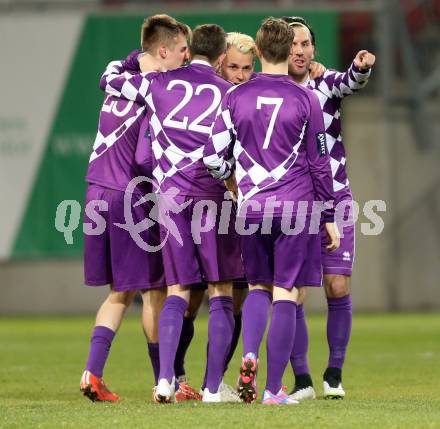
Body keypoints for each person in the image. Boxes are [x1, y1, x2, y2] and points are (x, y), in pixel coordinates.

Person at [99, 24, 243, 403]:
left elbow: (109, 79)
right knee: (220, 290)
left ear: (189, 49)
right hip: (212, 198)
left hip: (171, 200)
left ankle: (165, 381)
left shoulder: (157, 84)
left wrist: (133, 59)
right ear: (222, 58)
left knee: (175, 289)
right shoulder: (230, 93)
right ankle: (213, 388)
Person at [204, 17, 339, 405]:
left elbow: (212, 157)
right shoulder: (307, 99)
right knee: (287, 290)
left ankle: (248, 355)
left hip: (250, 208)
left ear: (259, 52)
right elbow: (319, 162)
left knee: (258, 287)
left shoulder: (235, 97)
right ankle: (272, 390)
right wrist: (328, 215)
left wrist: (233, 181)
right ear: (289, 51)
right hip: (295, 207)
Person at [80, 14, 189, 402]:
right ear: (163, 51)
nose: (185, 58)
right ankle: (167, 380)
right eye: (180, 51)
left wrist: (137, 59)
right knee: (154, 290)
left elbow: (114, 70)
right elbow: (145, 157)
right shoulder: (157, 89)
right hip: (129, 195)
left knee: (119, 293)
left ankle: (92, 373)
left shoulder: (115, 74)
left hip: (96, 191)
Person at [282, 16, 375, 400]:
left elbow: (349, 82)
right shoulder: (268, 89)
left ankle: (334, 373)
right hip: (291, 200)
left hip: (334, 197)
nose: (300, 51)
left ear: (314, 49)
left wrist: (360, 67)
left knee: (337, 285)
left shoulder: (324, 83)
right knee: (294, 294)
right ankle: (302, 378)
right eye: (292, 44)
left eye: (305, 44)